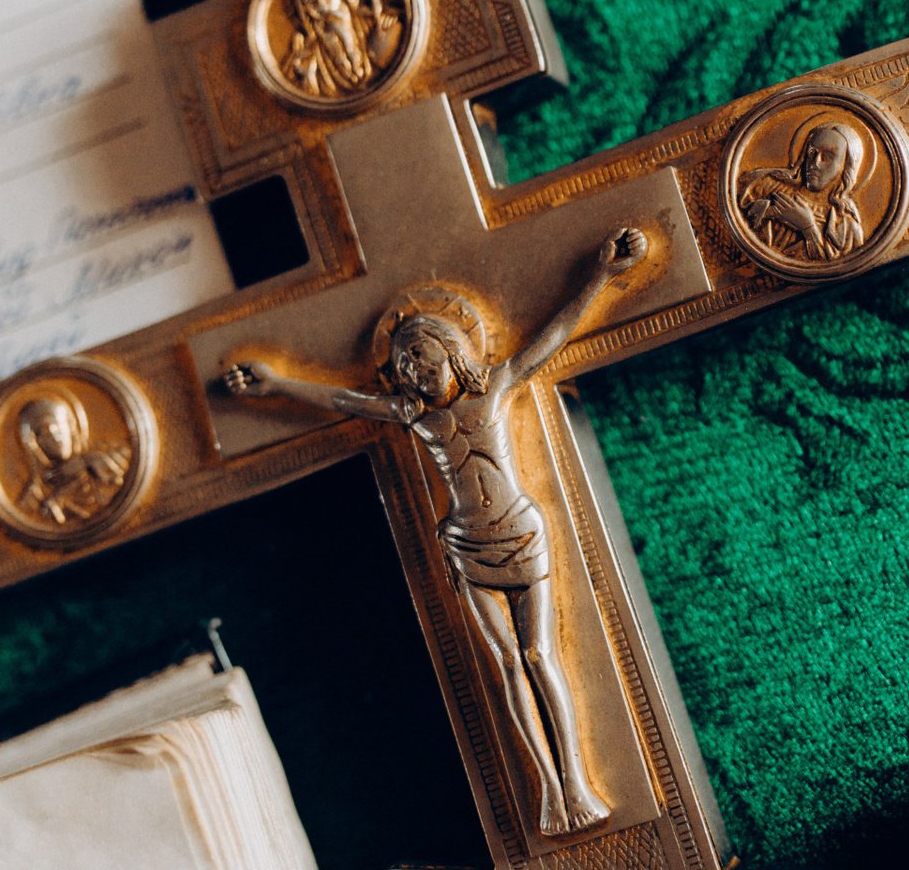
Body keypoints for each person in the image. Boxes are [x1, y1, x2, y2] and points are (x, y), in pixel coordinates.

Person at [221, 228, 647, 837]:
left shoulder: (495, 387)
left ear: (453, 350)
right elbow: (342, 400)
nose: (414, 371)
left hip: (521, 537)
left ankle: (578, 782)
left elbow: (552, 336)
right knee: (507, 664)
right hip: (467, 547)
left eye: (421, 356)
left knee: (538, 654)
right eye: (403, 366)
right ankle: (551, 797)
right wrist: (276, 383)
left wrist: (601, 275)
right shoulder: (412, 416)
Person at [738, 115, 869, 259]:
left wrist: (808, 227)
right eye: (812, 153)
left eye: (827, 156)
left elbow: (836, 264)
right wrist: (767, 211)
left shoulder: (846, 221)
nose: (815, 163)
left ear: (846, 166)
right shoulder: (769, 186)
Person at [278, 0, 399, 97]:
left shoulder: (376, 23)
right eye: (311, 0)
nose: (320, 1)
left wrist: (380, 45)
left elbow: (392, 54)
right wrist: (308, 76)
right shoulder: (307, 48)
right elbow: (295, 87)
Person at [14, 396, 128, 525]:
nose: (54, 437)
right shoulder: (36, 494)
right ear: (35, 444)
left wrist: (87, 462)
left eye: (57, 427)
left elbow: (124, 471)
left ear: (70, 426)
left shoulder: (106, 454)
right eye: (43, 433)